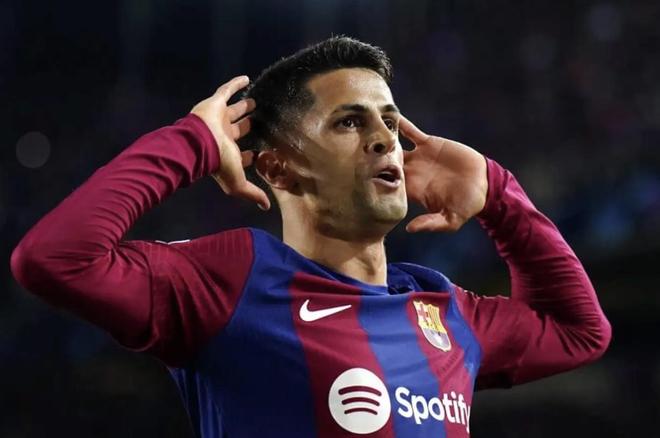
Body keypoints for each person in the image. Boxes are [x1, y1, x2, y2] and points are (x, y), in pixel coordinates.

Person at [10, 36, 611, 437]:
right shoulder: (233, 282)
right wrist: (190, 143)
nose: (385, 139)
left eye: (390, 122)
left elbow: (580, 332)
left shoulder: (443, 308)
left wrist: (497, 192)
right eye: (350, 121)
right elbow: (55, 258)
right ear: (277, 169)